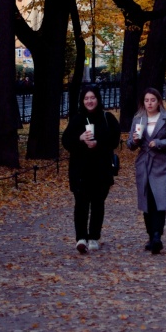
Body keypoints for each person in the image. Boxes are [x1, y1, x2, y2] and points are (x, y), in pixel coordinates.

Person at [61, 85, 121, 254]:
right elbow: (66, 141)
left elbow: (114, 140)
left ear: (98, 99)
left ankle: (94, 236)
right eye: (86, 98)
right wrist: (80, 138)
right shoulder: (77, 119)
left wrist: (98, 144)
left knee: (97, 203)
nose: (89, 101)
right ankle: (81, 238)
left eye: (92, 98)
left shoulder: (107, 118)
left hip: (101, 168)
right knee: (80, 203)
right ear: (82, 100)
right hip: (80, 169)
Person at [126, 87, 166, 254]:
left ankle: (157, 235)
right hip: (143, 164)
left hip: (161, 164)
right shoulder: (138, 119)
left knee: (160, 200)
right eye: (146, 100)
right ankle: (150, 235)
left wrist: (159, 143)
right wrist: (135, 141)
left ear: (159, 101)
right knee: (147, 201)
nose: (149, 103)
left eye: (153, 100)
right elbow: (129, 144)